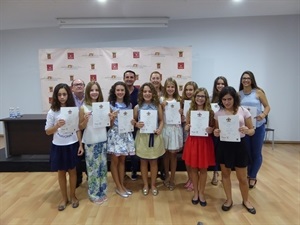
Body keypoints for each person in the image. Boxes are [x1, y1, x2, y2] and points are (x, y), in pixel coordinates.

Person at [214, 86, 256, 214]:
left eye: (229, 99)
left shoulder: (243, 111)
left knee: (242, 177)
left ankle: (246, 200)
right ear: (221, 100)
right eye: (224, 99)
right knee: (225, 175)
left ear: (234, 99)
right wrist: (216, 132)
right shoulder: (218, 114)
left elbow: (252, 130)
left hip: (240, 146)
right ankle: (229, 200)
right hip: (224, 146)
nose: (227, 102)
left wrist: (247, 130)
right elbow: (217, 131)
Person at [45, 83, 84, 211]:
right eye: (59, 94)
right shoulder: (52, 112)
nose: (62, 97)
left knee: (73, 171)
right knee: (61, 172)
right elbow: (47, 131)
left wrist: (80, 145)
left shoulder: (74, 110)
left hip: (72, 145)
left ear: (68, 95)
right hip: (58, 146)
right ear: (56, 96)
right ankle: (64, 198)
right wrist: (56, 126)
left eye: (64, 94)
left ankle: (73, 196)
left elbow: (78, 129)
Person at [182, 88, 215, 207]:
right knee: (193, 169)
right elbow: (186, 127)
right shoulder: (190, 111)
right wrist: (187, 127)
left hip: (205, 142)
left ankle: (202, 193)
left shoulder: (210, 112)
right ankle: (195, 192)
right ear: (194, 98)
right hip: (193, 141)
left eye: (202, 96)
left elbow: (213, 128)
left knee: (203, 170)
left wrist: (211, 130)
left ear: (206, 98)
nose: (200, 98)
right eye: (197, 96)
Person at [238, 71, 270, 189]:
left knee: (256, 152)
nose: (246, 80)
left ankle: (252, 176)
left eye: (248, 78)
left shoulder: (258, 92)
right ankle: (248, 173)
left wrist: (263, 115)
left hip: (258, 126)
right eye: (244, 78)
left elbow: (267, 106)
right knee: (247, 152)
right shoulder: (238, 94)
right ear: (241, 80)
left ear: (252, 80)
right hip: (245, 128)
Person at [79, 81, 109, 204]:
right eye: (92, 90)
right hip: (90, 141)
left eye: (96, 90)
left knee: (102, 168)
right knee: (92, 169)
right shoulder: (83, 107)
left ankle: (102, 191)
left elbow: (108, 124)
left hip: (102, 140)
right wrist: (85, 120)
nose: (94, 92)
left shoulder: (104, 106)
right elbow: (80, 126)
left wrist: (110, 117)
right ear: (88, 92)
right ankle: (93, 193)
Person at [134, 82, 165, 196]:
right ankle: (145, 184)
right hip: (142, 137)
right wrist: (136, 124)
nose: (147, 93)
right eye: (145, 91)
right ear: (141, 93)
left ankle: (153, 185)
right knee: (143, 161)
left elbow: (161, 120)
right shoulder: (137, 107)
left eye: (149, 91)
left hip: (154, 136)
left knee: (153, 161)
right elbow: (134, 122)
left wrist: (160, 129)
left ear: (153, 93)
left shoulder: (157, 106)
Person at [107, 81, 136, 198]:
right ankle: (118, 186)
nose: (120, 92)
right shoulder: (110, 105)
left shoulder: (128, 105)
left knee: (122, 161)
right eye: (118, 90)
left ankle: (122, 185)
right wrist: (112, 118)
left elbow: (130, 121)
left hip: (126, 134)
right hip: (115, 135)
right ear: (114, 91)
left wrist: (133, 122)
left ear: (126, 91)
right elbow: (109, 125)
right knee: (115, 161)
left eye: (122, 90)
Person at [160, 77, 183, 191]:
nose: (170, 89)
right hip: (165, 128)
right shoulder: (161, 99)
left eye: (172, 87)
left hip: (175, 129)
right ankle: (167, 176)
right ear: (165, 87)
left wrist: (182, 113)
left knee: (173, 155)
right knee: (165, 155)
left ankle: (173, 178)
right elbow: (159, 116)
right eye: (168, 86)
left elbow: (184, 116)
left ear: (175, 88)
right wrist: (162, 107)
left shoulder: (179, 99)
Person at [180, 81, 198, 191]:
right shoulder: (182, 103)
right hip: (185, 131)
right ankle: (189, 178)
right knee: (187, 158)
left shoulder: (199, 103)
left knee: (193, 158)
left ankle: (194, 179)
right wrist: (180, 115)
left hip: (196, 134)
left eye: (191, 90)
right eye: (186, 90)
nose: (188, 92)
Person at [210, 76, 228, 186]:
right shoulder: (211, 98)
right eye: (218, 83)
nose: (220, 85)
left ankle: (225, 175)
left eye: (222, 84)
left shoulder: (229, 97)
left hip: (226, 131)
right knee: (215, 152)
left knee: (225, 153)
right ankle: (215, 173)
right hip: (215, 130)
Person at [123, 70, 139, 180]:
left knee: (134, 149)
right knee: (122, 150)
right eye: (127, 77)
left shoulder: (139, 92)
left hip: (135, 125)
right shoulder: (119, 91)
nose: (129, 79)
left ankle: (134, 170)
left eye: (131, 77)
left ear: (135, 79)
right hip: (122, 126)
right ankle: (122, 171)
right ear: (124, 78)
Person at [149, 71, 166, 180]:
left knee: (162, 149)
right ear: (150, 79)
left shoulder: (165, 92)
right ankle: (152, 173)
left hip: (164, 123)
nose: (155, 80)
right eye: (153, 78)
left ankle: (163, 170)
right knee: (153, 150)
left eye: (157, 78)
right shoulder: (147, 91)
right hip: (150, 125)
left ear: (161, 79)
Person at [71, 78, 86, 188]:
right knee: (76, 156)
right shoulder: (68, 100)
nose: (79, 86)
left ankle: (90, 177)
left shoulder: (90, 98)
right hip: (73, 131)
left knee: (88, 155)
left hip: (87, 130)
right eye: (76, 84)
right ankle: (78, 178)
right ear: (72, 88)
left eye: (81, 84)